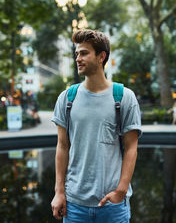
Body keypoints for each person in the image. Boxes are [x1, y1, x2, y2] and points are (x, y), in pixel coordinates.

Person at [51, 29, 142, 223]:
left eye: (84, 53)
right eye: (76, 54)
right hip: (74, 206)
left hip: (113, 207)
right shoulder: (67, 98)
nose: (78, 58)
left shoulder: (125, 97)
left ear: (102, 56)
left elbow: (131, 148)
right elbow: (62, 146)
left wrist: (121, 191)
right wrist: (59, 192)